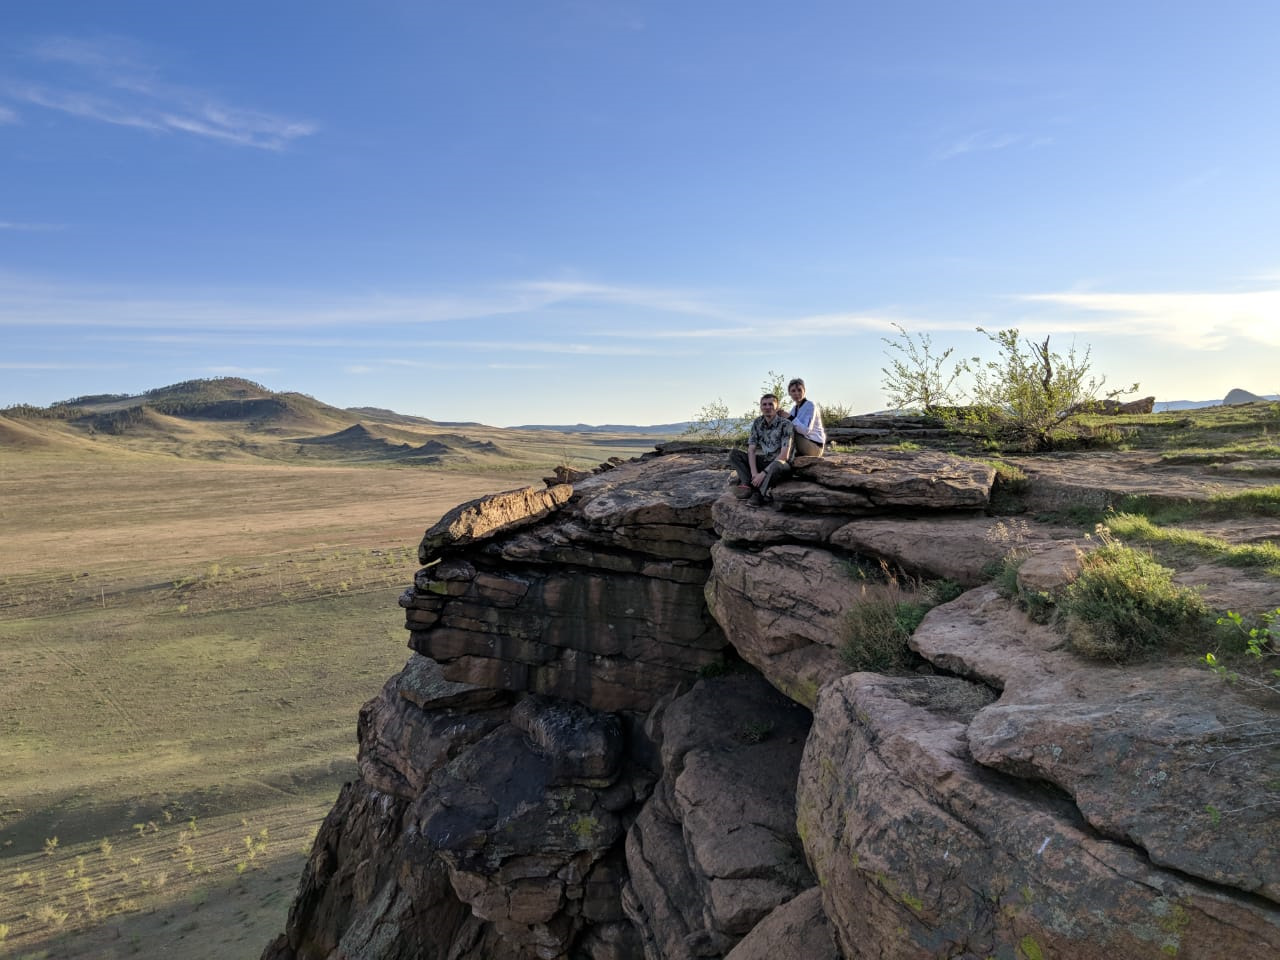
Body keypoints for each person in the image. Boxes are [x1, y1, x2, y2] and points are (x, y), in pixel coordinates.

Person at [729, 393, 794, 506]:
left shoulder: (786, 424)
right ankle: (748, 484)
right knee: (734, 454)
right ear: (760, 407)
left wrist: (763, 474)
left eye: (771, 404)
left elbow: (784, 456)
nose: (767, 407)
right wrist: (754, 473)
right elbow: (751, 449)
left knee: (777, 464)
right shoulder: (758, 423)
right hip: (765, 460)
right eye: (764, 404)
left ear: (777, 407)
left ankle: (758, 494)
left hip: (781, 465)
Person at [784, 377, 826, 457]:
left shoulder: (810, 406)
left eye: (799, 390)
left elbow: (806, 430)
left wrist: (789, 417)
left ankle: (783, 456)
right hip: (804, 443)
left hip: (814, 446)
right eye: (793, 391)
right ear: (789, 393)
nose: (796, 393)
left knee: (788, 432)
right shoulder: (794, 409)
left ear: (804, 391)